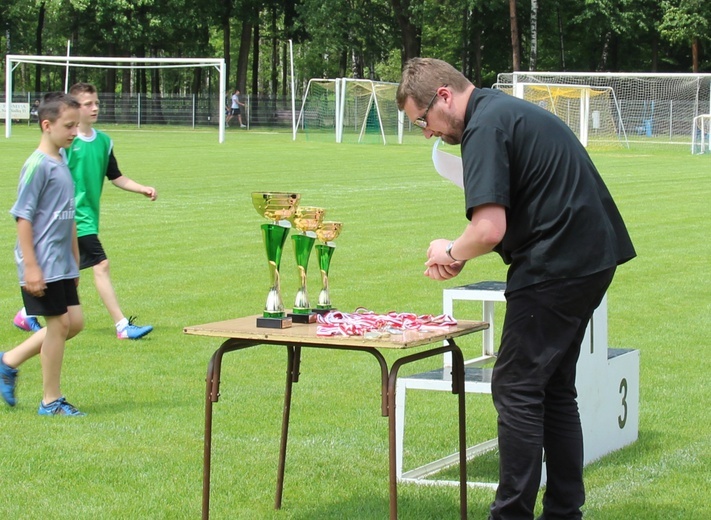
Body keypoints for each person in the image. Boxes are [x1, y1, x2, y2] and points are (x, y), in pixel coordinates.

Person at [397, 58, 636, 520]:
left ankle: (511, 515)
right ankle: (564, 511)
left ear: (444, 95)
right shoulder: (502, 111)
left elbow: (488, 229)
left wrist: (449, 249)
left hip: (557, 262)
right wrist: (459, 252)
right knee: (552, 388)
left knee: (517, 387)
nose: (426, 132)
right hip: (588, 255)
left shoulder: (482, 128)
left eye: (422, 120)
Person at [13, 82, 156, 340]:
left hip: (83, 220)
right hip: (73, 218)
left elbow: (115, 176)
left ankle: (26, 313)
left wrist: (141, 188)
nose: (93, 108)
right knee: (101, 264)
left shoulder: (103, 141)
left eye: (96, 103)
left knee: (65, 304)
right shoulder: (65, 146)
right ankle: (122, 325)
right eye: (86, 104)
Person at [1, 92, 86, 415]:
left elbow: (68, 215)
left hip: (61, 262)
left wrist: (75, 260)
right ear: (46, 125)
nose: (74, 132)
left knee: (73, 323)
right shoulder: (37, 165)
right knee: (58, 325)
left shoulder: (61, 161)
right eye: (68, 126)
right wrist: (31, 267)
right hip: (41, 264)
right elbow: (23, 218)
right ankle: (51, 400)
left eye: (76, 125)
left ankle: (8, 361)